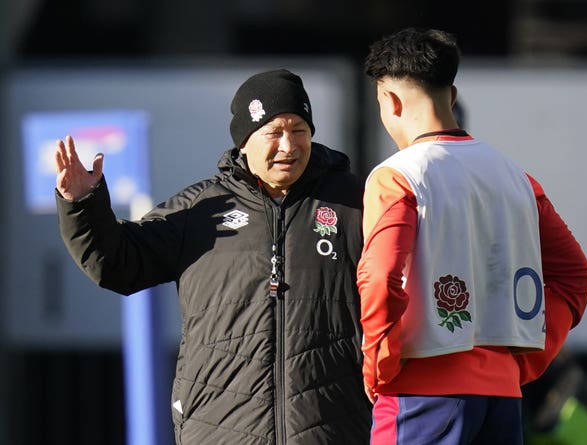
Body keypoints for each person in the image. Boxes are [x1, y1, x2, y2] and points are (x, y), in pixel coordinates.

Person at [54, 69, 371, 444]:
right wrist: (84, 206)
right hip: (218, 428)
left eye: (299, 130)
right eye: (274, 132)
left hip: (333, 428)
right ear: (245, 141)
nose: (288, 145)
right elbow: (117, 264)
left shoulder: (357, 204)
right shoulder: (198, 210)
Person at [357, 27, 587, 444]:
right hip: (502, 397)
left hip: (422, 394)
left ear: (390, 102)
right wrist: (524, 360)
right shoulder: (518, 178)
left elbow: (379, 277)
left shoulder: (398, 176)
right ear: (451, 97)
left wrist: (378, 367)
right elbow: (576, 277)